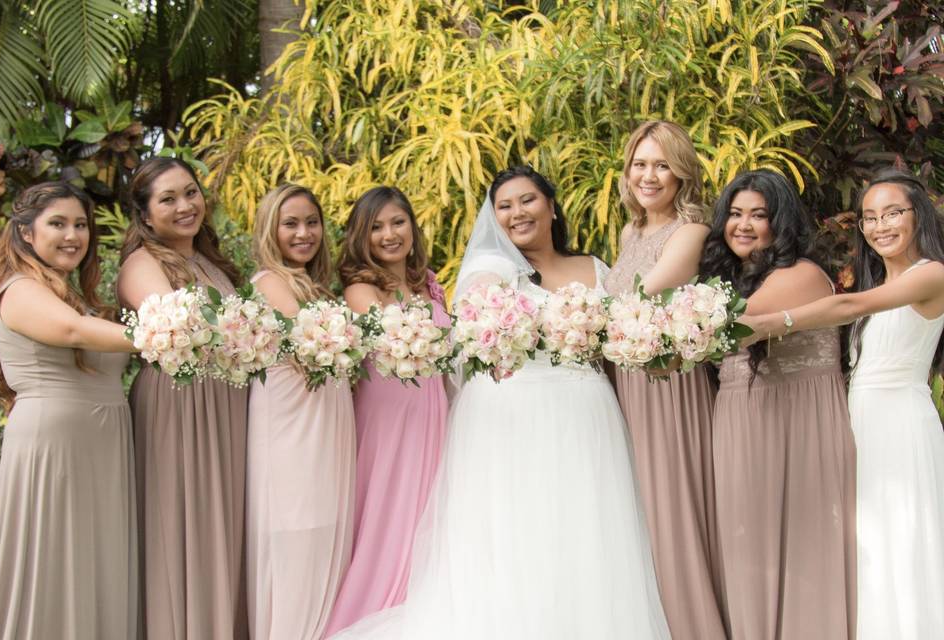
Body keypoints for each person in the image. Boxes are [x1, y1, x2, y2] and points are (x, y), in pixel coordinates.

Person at [330, 167, 669, 640]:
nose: (516, 213)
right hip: (512, 413)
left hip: (586, 412)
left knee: (586, 531)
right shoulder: (491, 270)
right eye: (503, 206)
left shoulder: (595, 268)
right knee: (518, 534)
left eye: (527, 200)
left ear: (551, 206)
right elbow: (474, 322)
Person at [741, 168, 944, 639]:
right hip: (861, 422)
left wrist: (773, 322)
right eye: (869, 217)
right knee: (867, 546)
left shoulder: (931, 273)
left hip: (900, 423)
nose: (880, 226)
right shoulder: (878, 283)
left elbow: (848, 307)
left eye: (893, 213)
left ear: (920, 217)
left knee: (901, 540)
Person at [699, 170, 856, 639]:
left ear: (781, 222)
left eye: (758, 215)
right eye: (735, 213)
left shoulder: (800, 274)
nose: (743, 225)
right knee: (750, 552)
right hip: (742, 418)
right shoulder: (737, 279)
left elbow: (732, 325)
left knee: (802, 551)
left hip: (796, 422)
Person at [0, 182, 138, 639]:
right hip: (55, 448)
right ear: (27, 233)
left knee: (96, 561)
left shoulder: (76, 294)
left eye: (81, 225)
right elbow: (72, 332)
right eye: (58, 223)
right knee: (54, 560)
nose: (73, 235)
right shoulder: (21, 288)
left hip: (102, 447)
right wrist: (175, 333)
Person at [117, 157, 249, 639]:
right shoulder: (141, 263)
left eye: (190, 192)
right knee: (182, 526)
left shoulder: (210, 263)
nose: (185, 205)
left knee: (224, 524)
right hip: (179, 402)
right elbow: (172, 326)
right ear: (146, 215)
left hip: (224, 403)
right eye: (168, 199)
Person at [603, 120, 726, 640]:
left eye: (661, 164)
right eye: (639, 163)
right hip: (625, 387)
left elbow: (639, 297)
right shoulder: (631, 232)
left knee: (672, 508)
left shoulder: (691, 231)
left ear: (681, 173)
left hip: (668, 387)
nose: (648, 175)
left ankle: (696, 625)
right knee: (640, 515)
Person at [323, 187, 450, 636]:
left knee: (429, 508)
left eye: (398, 222)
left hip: (432, 409)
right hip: (388, 412)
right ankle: (373, 606)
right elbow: (390, 337)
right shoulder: (361, 288)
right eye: (376, 227)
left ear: (412, 227)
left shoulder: (428, 282)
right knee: (387, 505)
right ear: (362, 237)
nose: (389, 234)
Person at [246, 185, 356, 640]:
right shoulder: (269, 281)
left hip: (326, 423)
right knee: (296, 533)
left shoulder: (317, 286)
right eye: (290, 223)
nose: (304, 232)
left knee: (325, 531)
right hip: (292, 430)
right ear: (271, 228)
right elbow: (310, 340)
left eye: (312, 222)